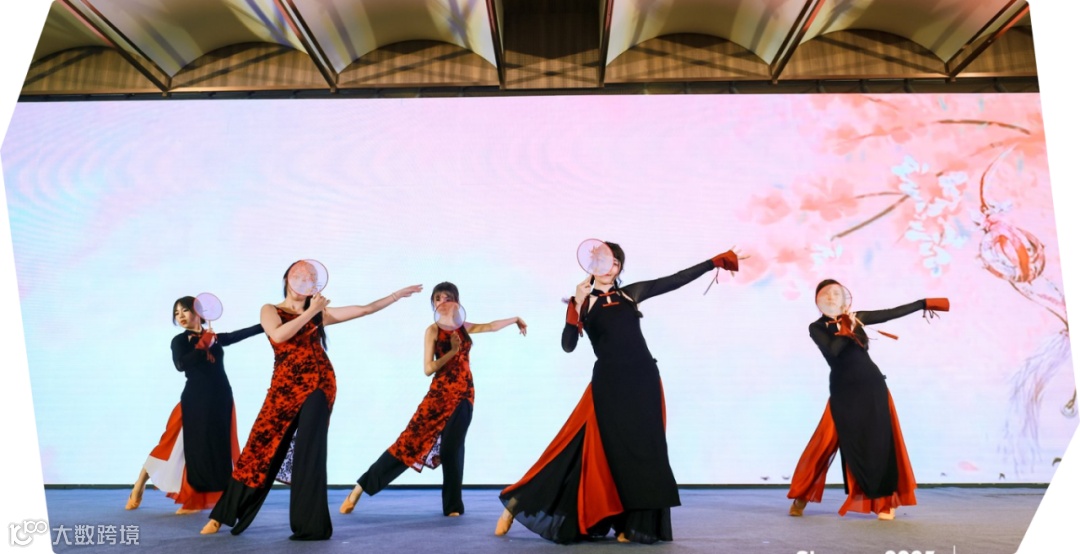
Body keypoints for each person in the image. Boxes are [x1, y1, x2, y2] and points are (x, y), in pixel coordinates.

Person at [495, 243, 740, 544]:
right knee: (580, 448)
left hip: (644, 380)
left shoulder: (629, 294)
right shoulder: (582, 302)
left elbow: (675, 279)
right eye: (602, 261)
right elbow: (568, 345)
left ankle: (630, 525)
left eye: (614, 262)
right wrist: (577, 304)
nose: (608, 267)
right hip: (609, 384)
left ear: (619, 267)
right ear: (591, 265)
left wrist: (714, 262)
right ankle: (517, 502)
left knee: (646, 452)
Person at [201, 261, 422, 540]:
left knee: (310, 453)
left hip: (319, 384)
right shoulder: (271, 310)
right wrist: (312, 311)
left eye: (311, 278)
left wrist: (395, 295)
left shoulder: (319, 313)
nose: (304, 280)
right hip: (284, 388)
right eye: (299, 275)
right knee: (259, 446)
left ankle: (311, 526)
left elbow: (364, 309)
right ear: (287, 278)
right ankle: (223, 515)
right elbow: (279, 334)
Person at [339, 281, 527, 517]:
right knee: (407, 444)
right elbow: (428, 369)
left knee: (453, 449)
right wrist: (452, 352)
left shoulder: (464, 327)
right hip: (439, 397)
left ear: (456, 301)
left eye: (447, 297)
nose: (442, 302)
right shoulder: (433, 330)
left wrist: (515, 319)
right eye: (438, 298)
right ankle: (359, 488)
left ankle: (453, 506)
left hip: (464, 395)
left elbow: (490, 326)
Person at [786, 279, 949, 520]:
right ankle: (801, 496)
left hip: (872, 386)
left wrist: (923, 303)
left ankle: (885, 502)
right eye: (826, 294)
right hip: (843, 390)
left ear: (844, 298)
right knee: (824, 443)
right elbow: (834, 350)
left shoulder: (858, 317)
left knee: (879, 443)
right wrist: (848, 327)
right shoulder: (816, 328)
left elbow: (891, 313)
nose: (831, 298)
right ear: (818, 301)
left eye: (836, 293)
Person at [126, 296, 262, 514]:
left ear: (198, 312)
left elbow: (239, 334)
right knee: (171, 445)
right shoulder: (179, 341)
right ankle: (140, 483)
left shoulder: (214, 337)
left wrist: (268, 325)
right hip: (195, 400)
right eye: (176, 313)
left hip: (220, 399)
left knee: (213, 449)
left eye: (185, 310)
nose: (180, 316)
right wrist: (203, 344)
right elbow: (181, 365)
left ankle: (198, 498)